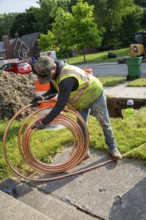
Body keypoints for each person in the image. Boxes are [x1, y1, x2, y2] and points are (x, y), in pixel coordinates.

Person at [31, 56, 122, 161]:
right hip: (81, 102)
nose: (48, 79)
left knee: (104, 123)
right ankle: (84, 152)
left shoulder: (66, 78)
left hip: (94, 95)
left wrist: (43, 122)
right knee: (81, 128)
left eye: (48, 76)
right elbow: (54, 90)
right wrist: (42, 97)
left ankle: (113, 148)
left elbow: (60, 105)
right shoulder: (53, 72)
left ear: (54, 67)